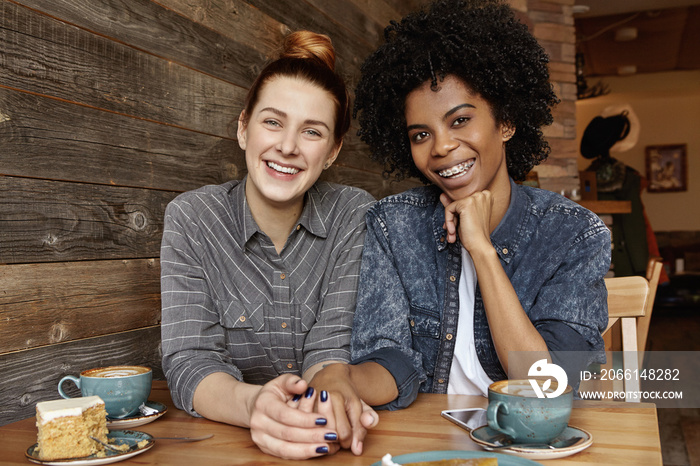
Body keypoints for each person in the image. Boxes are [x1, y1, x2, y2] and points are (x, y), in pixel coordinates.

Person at [311, 0, 611, 451]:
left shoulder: (573, 235)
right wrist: (339, 379)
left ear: (506, 121)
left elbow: (548, 385)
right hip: (428, 446)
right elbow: (391, 362)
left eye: (461, 120)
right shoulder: (393, 225)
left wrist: (483, 251)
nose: (442, 147)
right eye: (420, 134)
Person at [159, 30, 375, 460]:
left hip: (321, 437)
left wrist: (330, 399)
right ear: (243, 128)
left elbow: (330, 347)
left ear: (332, 152)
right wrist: (256, 405)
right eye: (272, 122)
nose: (288, 147)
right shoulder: (192, 218)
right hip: (226, 447)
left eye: (312, 132)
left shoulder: (353, 213)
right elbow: (190, 360)